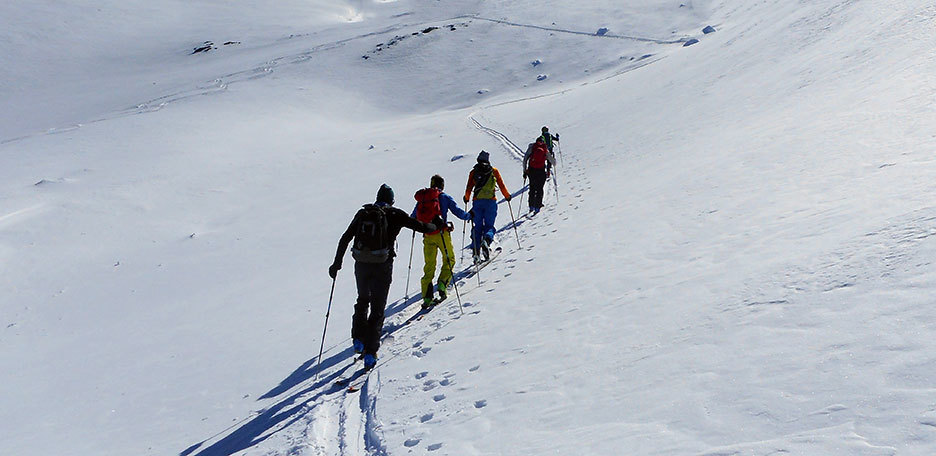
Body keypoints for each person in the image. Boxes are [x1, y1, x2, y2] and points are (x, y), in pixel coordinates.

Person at [329, 184, 439, 369]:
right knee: (378, 308)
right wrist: (437, 224)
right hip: (382, 265)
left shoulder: (363, 214)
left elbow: (345, 237)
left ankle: (358, 339)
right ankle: (370, 354)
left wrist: (336, 264)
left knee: (362, 299)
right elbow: (421, 227)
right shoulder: (395, 214)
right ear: (391, 200)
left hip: (361, 264)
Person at [412, 175, 471, 309]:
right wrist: (469, 216)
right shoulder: (444, 197)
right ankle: (443, 284)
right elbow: (457, 211)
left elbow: (413, 216)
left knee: (429, 266)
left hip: (427, 235)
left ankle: (427, 298)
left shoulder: (422, 199)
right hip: (441, 234)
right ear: (442, 185)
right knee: (450, 259)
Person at [463, 151, 511, 263]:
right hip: (491, 202)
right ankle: (487, 241)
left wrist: (466, 198)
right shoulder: (493, 171)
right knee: (489, 226)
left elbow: (469, 187)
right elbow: (501, 185)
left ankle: (476, 253)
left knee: (478, 227)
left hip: (477, 202)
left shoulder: (474, 172)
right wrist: (507, 196)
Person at [523, 137, 556, 214]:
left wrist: (525, 171)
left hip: (532, 171)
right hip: (541, 171)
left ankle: (531, 206)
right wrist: (553, 159)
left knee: (532, 188)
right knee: (539, 189)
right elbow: (553, 162)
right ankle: (538, 207)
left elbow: (525, 159)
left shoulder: (532, 147)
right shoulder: (545, 149)